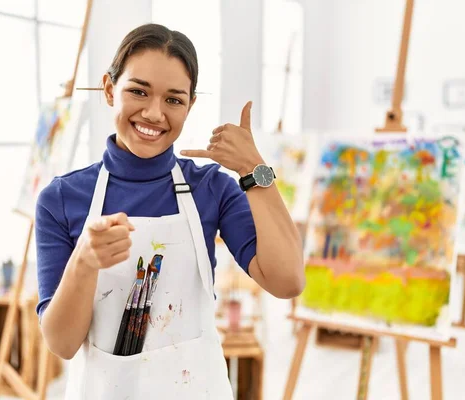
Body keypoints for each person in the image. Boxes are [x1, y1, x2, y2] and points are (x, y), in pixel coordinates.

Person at [35, 23, 305, 399]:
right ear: (110, 89)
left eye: (174, 100)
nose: (154, 113)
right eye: (138, 91)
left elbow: (288, 280)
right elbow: (62, 344)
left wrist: (254, 170)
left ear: (190, 105)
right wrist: (84, 261)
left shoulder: (211, 187)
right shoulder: (62, 198)